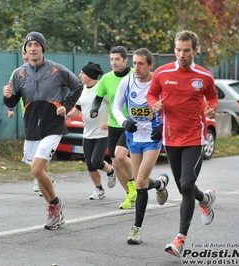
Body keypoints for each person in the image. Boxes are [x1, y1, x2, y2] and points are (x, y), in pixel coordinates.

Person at [146, 30, 218, 257]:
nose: (182, 54)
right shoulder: (161, 72)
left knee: (186, 185)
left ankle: (180, 239)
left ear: (195, 50)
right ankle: (205, 199)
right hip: (171, 138)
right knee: (182, 186)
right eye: (178, 49)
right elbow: (151, 94)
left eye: (187, 50)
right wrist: (154, 105)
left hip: (195, 138)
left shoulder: (205, 76)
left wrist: (211, 108)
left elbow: (213, 97)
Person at [3, 31, 83, 230]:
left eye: (36, 45)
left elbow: (78, 86)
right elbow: (13, 100)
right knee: (40, 175)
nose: (32, 49)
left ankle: (55, 204)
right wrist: (7, 97)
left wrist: (66, 105)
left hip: (53, 125)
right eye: (29, 46)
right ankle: (55, 211)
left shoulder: (57, 70)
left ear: (42, 48)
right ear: (25, 50)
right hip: (32, 128)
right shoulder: (19, 73)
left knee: (37, 169)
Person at [112, 48, 169, 244]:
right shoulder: (127, 81)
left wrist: (162, 125)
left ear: (150, 65)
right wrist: (123, 122)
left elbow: (171, 106)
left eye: (141, 64)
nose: (136, 67)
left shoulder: (158, 82)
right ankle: (160, 184)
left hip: (152, 137)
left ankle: (136, 229)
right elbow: (116, 107)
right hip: (133, 137)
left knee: (141, 179)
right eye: (134, 63)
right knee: (139, 182)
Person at [90, 46, 136, 209]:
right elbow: (98, 97)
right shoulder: (106, 78)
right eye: (111, 59)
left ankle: (133, 184)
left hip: (131, 123)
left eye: (117, 59)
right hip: (114, 124)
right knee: (116, 164)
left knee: (121, 155)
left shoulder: (134, 76)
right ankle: (131, 194)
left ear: (125, 60)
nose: (114, 62)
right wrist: (95, 109)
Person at [5, 49, 56, 195]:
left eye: (28, 53)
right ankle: (45, 176)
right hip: (29, 115)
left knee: (42, 148)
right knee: (35, 149)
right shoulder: (18, 72)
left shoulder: (44, 70)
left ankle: (39, 177)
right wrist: (10, 108)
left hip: (45, 116)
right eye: (24, 53)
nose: (26, 56)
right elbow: (11, 90)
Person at [67, 61, 116, 200]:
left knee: (96, 161)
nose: (80, 75)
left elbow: (114, 105)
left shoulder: (102, 88)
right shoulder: (81, 89)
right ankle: (99, 189)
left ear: (90, 75)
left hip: (102, 132)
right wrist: (71, 114)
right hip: (87, 133)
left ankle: (110, 171)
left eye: (82, 73)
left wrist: (109, 121)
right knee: (89, 163)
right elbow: (78, 108)